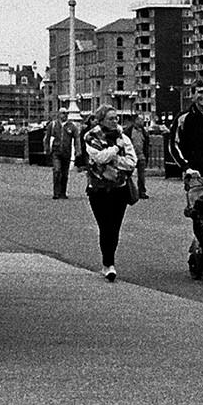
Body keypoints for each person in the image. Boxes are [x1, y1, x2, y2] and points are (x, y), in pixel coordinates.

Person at [80, 107, 138, 281]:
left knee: (115, 227)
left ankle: (109, 262)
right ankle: (108, 264)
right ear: (101, 120)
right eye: (111, 118)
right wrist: (115, 149)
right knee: (105, 226)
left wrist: (115, 160)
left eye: (116, 118)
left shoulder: (124, 137)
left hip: (119, 188)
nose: (115, 122)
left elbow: (132, 162)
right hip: (98, 190)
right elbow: (98, 158)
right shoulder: (91, 137)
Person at [49, 110, 81, 198]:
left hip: (66, 152)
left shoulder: (72, 126)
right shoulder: (53, 125)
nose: (65, 115)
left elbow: (77, 138)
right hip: (56, 152)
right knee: (57, 170)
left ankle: (63, 192)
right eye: (63, 113)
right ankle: (56, 192)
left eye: (66, 113)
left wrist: (78, 150)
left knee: (65, 173)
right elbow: (47, 138)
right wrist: (47, 149)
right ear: (58, 114)